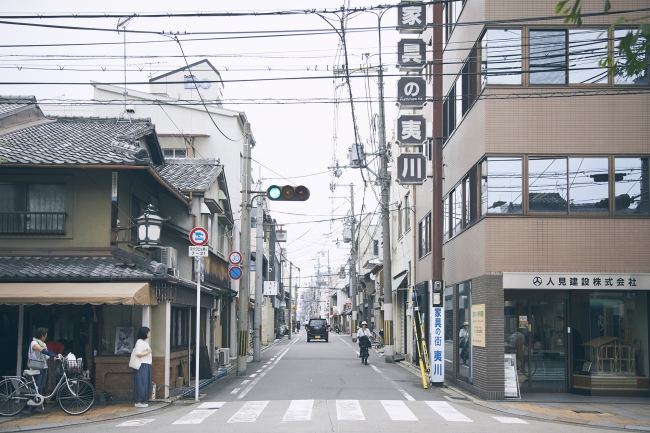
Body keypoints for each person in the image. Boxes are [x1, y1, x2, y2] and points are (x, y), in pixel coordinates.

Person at [28, 328, 58, 410]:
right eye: (45, 335)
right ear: (42, 335)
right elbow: (42, 350)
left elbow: (48, 352)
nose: (46, 337)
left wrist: (56, 356)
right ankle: (29, 406)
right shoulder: (34, 343)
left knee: (39, 388)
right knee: (36, 387)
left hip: (43, 367)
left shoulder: (43, 344)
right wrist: (52, 355)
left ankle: (34, 406)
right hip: (36, 368)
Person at [132, 327, 153, 408]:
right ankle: (139, 400)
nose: (149, 334)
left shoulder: (145, 342)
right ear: (145, 333)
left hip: (146, 364)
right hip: (142, 364)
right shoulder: (139, 342)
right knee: (142, 382)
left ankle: (143, 400)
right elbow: (138, 354)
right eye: (148, 332)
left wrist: (148, 351)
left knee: (145, 382)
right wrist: (148, 352)